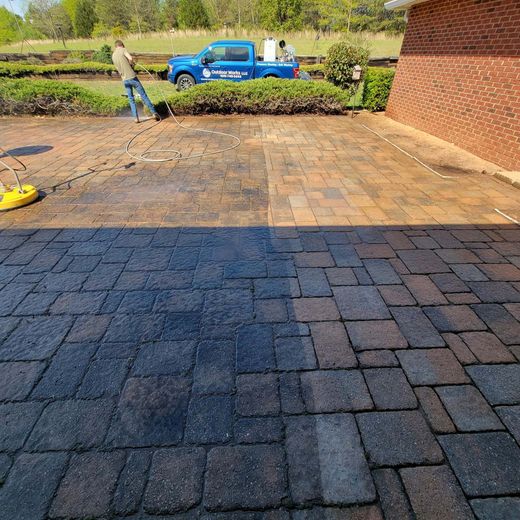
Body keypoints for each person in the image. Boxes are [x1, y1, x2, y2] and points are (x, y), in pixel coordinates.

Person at [111, 40, 161, 123]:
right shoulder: (123, 50)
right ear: (122, 45)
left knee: (131, 99)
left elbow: (117, 68)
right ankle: (154, 113)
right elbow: (130, 58)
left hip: (125, 80)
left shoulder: (113, 55)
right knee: (143, 95)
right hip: (132, 77)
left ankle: (136, 118)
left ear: (115, 46)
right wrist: (132, 64)